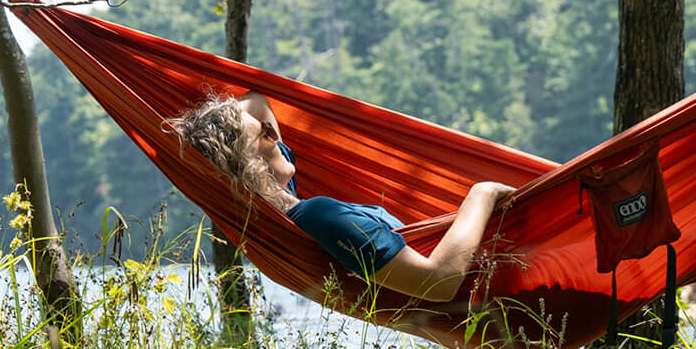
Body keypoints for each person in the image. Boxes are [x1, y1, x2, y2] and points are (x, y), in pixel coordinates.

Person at [167, 92, 513, 302]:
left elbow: (257, 99)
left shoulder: (282, 206)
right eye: (265, 135)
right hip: (494, 287)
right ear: (249, 164)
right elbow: (439, 283)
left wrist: (230, 125)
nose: (275, 134)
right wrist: (483, 193)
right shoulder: (319, 216)